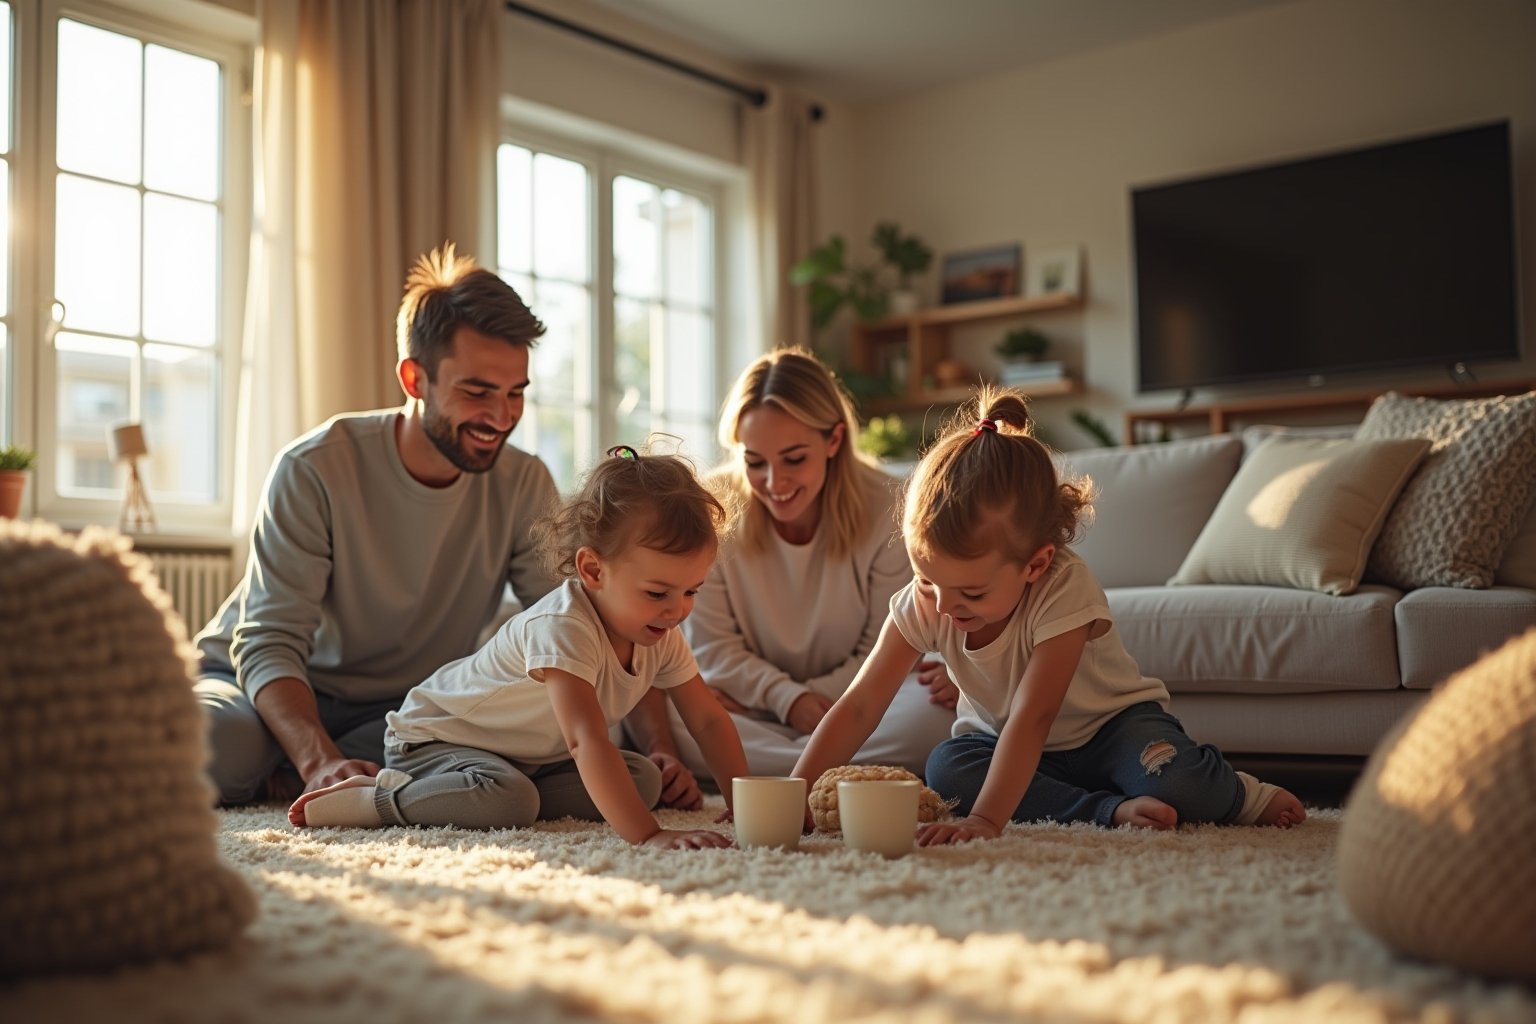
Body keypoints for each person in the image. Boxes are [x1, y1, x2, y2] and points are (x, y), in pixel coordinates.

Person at [792, 386, 1307, 845]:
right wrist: (797, 790)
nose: (944, 606)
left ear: (1035, 564)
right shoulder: (926, 601)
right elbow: (860, 705)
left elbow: (1034, 715)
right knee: (948, 770)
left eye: (970, 591)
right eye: (927, 580)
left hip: (1113, 730)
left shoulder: (1064, 587)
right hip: (1003, 741)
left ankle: (1240, 792)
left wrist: (988, 822)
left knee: (1176, 783)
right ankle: (1106, 809)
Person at [194, 243, 560, 806]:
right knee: (211, 747)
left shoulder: (524, 481)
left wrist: (658, 744)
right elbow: (269, 642)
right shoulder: (314, 467)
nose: (502, 416)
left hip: (393, 710)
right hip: (261, 686)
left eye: (515, 394)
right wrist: (320, 762)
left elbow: (569, 626)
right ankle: (287, 764)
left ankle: (287, 774)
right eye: (477, 391)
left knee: (503, 752)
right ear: (415, 379)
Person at [288, 446, 751, 849]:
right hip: (437, 738)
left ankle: (500, 795)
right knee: (510, 798)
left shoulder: (659, 633)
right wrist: (649, 835)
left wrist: (745, 803)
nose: (677, 611)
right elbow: (584, 739)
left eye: (692, 591)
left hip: (526, 760)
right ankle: (378, 799)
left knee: (641, 779)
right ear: (592, 570)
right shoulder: (564, 626)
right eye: (657, 593)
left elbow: (707, 719)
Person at [625, 348, 954, 791]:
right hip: (759, 708)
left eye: (794, 458)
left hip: (849, 702)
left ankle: (768, 772)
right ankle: (832, 771)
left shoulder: (892, 508)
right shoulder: (710, 509)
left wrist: (794, 705)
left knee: (934, 715)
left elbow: (887, 645)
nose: (775, 483)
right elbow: (715, 648)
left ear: (834, 440)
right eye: (754, 461)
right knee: (678, 718)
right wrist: (786, 700)